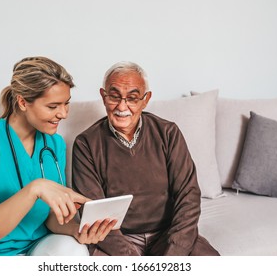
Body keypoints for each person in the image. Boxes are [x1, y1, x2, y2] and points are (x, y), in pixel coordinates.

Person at [0, 56, 116, 256]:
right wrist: (35, 189)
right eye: (53, 106)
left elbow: (50, 215)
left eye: (66, 104)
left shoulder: (54, 143)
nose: (64, 114)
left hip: (39, 244)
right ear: (23, 102)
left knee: (74, 251)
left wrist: (76, 230)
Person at [72, 61, 220, 256]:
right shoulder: (86, 143)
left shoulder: (168, 133)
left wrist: (173, 254)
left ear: (146, 99)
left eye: (132, 98)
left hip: (168, 234)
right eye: (114, 96)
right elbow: (95, 214)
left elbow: (189, 197)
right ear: (103, 96)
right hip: (117, 239)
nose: (122, 106)